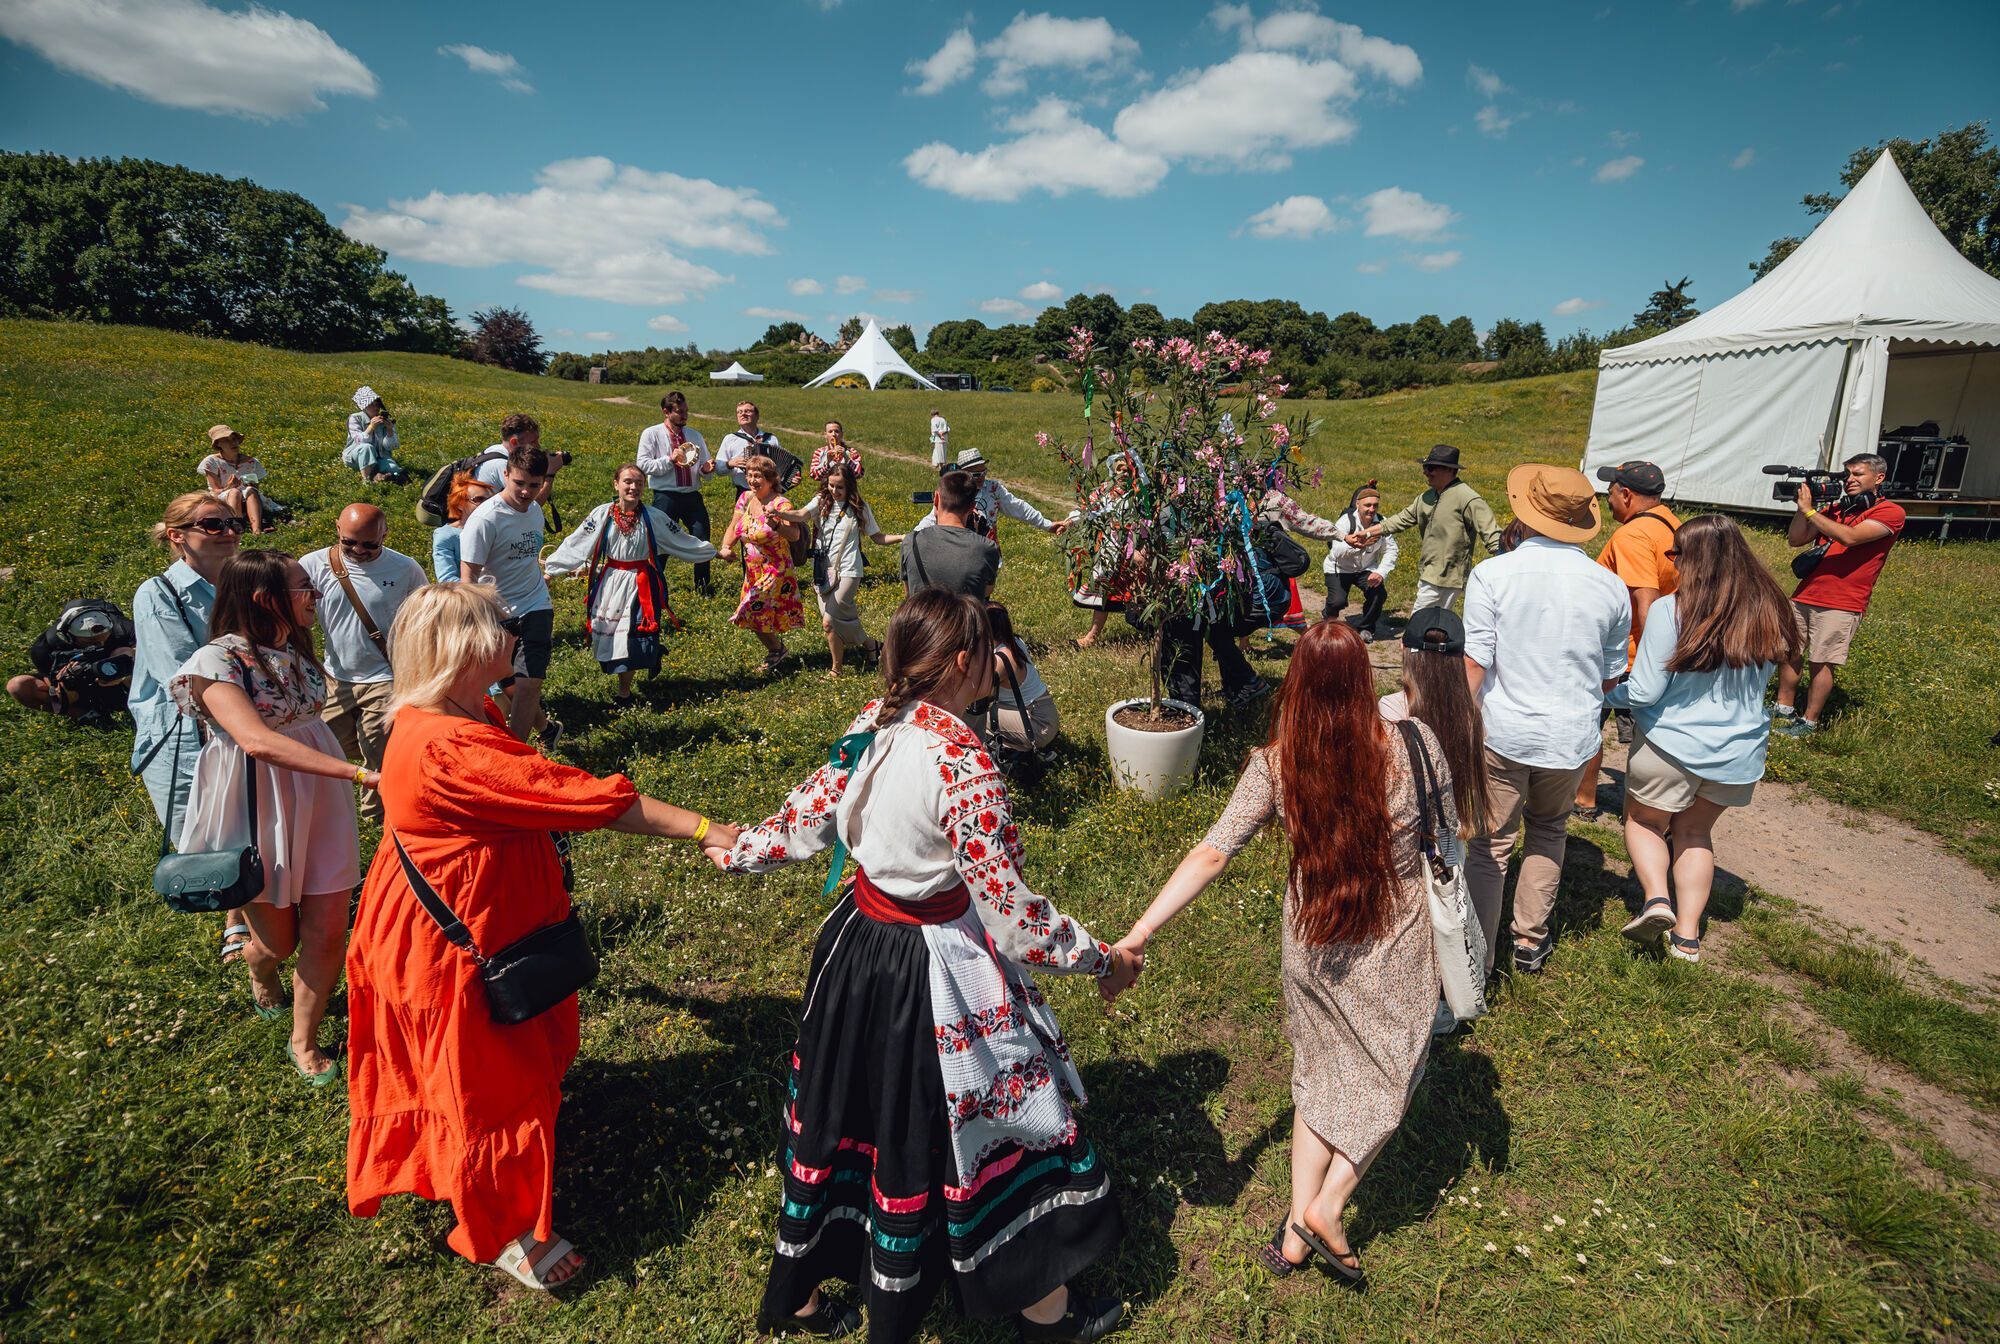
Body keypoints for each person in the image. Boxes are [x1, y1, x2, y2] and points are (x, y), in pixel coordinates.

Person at [722, 589, 1137, 1344]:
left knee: (855, 1118)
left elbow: (805, 821)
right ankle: (1045, 1312)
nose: (996, 659)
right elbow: (1012, 920)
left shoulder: (871, 722)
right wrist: (1101, 957)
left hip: (855, 954)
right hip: (935, 973)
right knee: (999, 1119)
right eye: (985, 648)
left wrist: (740, 848)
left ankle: (802, 1291)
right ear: (959, 662)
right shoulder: (964, 760)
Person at [345, 582, 736, 1291]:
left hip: (458, 923)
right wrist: (707, 829)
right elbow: (581, 797)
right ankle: (505, 1230)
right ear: (465, 647)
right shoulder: (451, 747)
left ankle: (490, 1186)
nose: (515, 632)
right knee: (488, 1087)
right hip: (454, 948)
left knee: (486, 1071)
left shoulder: (452, 710)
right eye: (502, 624)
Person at [1118, 621, 1452, 1283]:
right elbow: (1447, 829)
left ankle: (1296, 1236)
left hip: (1314, 940)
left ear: (1295, 684)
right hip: (1394, 938)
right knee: (1395, 1070)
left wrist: (1140, 931)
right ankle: (1328, 1206)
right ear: (1366, 681)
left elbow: (1213, 851)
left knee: (1319, 1074)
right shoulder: (1417, 744)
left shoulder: (1275, 764)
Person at [169, 549, 374, 1082]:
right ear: (266, 598)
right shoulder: (217, 661)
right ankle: (262, 964)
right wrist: (357, 774)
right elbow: (256, 741)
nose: (316, 596)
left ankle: (302, 1040)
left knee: (329, 932)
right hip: (260, 802)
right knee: (280, 941)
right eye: (306, 588)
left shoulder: (297, 648)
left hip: (320, 798)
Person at [1608, 515, 1801, 964]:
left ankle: (1657, 899)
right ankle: (1688, 937)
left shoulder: (1672, 609)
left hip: (1671, 744)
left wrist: (1603, 693)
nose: (1672, 563)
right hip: (1739, 751)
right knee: (1695, 832)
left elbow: (1645, 691)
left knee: (1645, 823)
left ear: (1693, 560)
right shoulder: (1774, 610)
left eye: (1675, 555)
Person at [1462, 465, 1630, 975]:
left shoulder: (1493, 574)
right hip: (1571, 736)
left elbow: (1474, 663)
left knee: (1490, 846)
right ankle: (1529, 940)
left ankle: (1477, 956)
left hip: (1503, 731)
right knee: (1549, 830)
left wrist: (1449, 727)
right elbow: (1610, 674)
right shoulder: (1609, 586)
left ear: (1525, 512)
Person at [130, 494, 240, 957]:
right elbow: (180, 673)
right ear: (178, 536)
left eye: (232, 521)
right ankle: (230, 908)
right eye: (213, 524)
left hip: (240, 722)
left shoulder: (241, 582)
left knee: (245, 819)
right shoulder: (158, 593)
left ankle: (244, 915)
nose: (229, 530)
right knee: (196, 831)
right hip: (182, 735)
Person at [543, 464, 715, 709]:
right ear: (616, 484)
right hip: (611, 582)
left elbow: (682, 540)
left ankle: (624, 694)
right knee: (612, 635)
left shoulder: (653, 517)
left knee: (634, 636)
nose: (633, 487)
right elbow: (576, 543)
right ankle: (652, 654)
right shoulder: (602, 514)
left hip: (641, 583)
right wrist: (552, 571)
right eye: (627, 482)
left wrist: (712, 552)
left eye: (639, 483)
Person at [301, 503, 428, 825]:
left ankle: (377, 819)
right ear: (337, 530)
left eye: (370, 544)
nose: (359, 550)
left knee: (376, 748)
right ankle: (329, 810)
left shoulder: (405, 569)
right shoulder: (314, 565)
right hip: (335, 675)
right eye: (350, 543)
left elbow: (425, 618)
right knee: (328, 745)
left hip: (385, 675)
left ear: (385, 535)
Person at [1573, 461, 1681, 821]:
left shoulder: (1632, 535)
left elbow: (1644, 599)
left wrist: (1653, 662)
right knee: (1651, 732)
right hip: (1665, 648)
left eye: (1610, 491)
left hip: (1629, 655)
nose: (1608, 498)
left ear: (1627, 494)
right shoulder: (1673, 526)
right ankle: (1648, 806)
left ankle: (1586, 799)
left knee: (1592, 723)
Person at [1773, 453, 1906, 738]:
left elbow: (1851, 537)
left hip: (1842, 600)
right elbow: (1796, 539)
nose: (1850, 480)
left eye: (1858, 474)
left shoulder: (1891, 512)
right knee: (1788, 651)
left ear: (1878, 478)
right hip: (1806, 592)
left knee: (1821, 660)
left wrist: (1812, 513)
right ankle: (1782, 707)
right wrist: (1802, 509)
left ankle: (1809, 722)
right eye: (1848, 474)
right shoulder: (1836, 508)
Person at [460, 443, 560, 747]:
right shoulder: (485, 519)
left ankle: (517, 755)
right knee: (510, 687)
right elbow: (469, 576)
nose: (527, 492)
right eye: (519, 483)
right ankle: (547, 729)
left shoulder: (534, 512)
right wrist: (474, 619)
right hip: (497, 611)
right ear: (505, 474)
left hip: (536, 604)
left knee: (529, 686)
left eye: (534, 485)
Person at [771, 462, 901, 679]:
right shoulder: (821, 502)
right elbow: (802, 514)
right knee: (834, 623)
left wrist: (902, 538)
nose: (834, 491)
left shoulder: (859, 508)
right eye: (831, 485)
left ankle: (836, 669)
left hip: (849, 568)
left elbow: (878, 537)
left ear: (850, 487)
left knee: (830, 620)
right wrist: (778, 514)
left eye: (840, 487)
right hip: (822, 568)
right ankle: (872, 646)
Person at [1376, 606, 1491, 848]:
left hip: (1401, 834)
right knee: (1448, 881)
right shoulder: (1473, 712)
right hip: (1450, 835)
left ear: (1403, 649)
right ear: (1461, 657)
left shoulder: (1391, 708)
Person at [1347, 445, 1502, 614]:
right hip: (1429, 572)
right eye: (1424, 467)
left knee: (1418, 626)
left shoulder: (1468, 498)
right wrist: (1366, 532)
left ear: (1449, 470)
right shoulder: (1427, 497)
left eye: (1430, 468)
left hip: (1448, 577)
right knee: (1432, 627)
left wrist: (1510, 571)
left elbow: (1493, 536)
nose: (1425, 472)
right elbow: (1400, 520)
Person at [716, 455, 804, 675]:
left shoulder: (781, 504)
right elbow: (734, 526)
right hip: (753, 570)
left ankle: (776, 649)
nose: (753, 480)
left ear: (771, 479)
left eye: (759, 476)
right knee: (753, 615)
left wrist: (776, 523)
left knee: (750, 610)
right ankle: (777, 650)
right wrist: (726, 547)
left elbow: (793, 535)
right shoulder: (745, 499)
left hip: (776, 569)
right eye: (750, 475)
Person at [911, 448, 1068, 556]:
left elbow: (1018, 507)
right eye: (976, 474)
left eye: (984, 471)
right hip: (959, 551)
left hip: (987, 551)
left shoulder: (993, 489)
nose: (982, 477)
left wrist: (1047, 525)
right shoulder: (955, 492)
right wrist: (914, 536)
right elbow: (934, 517)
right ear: (963, 474)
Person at [635, 391, 716, 598]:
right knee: (660, 541)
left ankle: (702, 586)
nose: (684, 416)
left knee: (702, 537)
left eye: (686, 411)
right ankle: (653, 585)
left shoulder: (695, 436)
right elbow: (642, 465)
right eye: (679, 412)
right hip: (665, 496)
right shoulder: (651, 434)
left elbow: (703, 466)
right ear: (666, 411)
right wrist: (669, 460)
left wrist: (706, 470)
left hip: (691, 495)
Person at [9, 598, 134, 724]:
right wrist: (63, 682)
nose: (100, 645)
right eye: (91, 643)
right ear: (68, 637)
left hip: (121, 678)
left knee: (124, 652)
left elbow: (149, 650)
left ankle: (137, 696)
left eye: (104, 639)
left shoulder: (122, 627)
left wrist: (123, 674)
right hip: (82, 687)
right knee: (18, 686)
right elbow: (52, 684)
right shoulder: (45, 648)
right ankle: (84, 714)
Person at [1068, 452, 1137, 649]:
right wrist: (1069, 522)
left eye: (1127, 469)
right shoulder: (1103, 493)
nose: (1123, 473)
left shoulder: (1140, 493)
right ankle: (1092, 636)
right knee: (1104, 592)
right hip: (1109, 551)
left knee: (1138, 591)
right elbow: (1084, 510)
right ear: (1112, 471)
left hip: (1136, 551)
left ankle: (1153, 631)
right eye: (1119, 469)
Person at [900, 469, 1000, 601]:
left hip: (922, 621)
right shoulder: (986, 548)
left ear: (936, 499)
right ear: (972, 507)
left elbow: (909, 593)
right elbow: (986, 591)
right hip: (965, 621)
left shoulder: (910, 542)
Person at [1323, 482, 1398, 640]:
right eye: (1367, 505)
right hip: (1339, 568)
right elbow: (1335, 551)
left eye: (1375, 505)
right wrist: (1358, 546)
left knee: (1378, 593)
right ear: (1358, 504)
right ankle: (1328, 620)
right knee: (1337, 601)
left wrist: (1380, 572)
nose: (1371, 509)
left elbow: (1391, 550)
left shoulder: (1382, 524)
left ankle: (1366, 628)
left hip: (1366, 568)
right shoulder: (1345, 521)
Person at [987, 601, 1060, 753]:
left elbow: (976, 690)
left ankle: (1014, 751)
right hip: (1043, 714)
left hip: (1037, 724)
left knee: (974, 714)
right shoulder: (1015, 642)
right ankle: (1015, 747)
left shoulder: (1000, 662)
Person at [473, 414, 568, 515]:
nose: (538, 446)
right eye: (533, 442)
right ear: (514, 442)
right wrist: (550, 472)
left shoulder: (495, 450)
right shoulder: (501, 465)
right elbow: (531, 505)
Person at [715, 401, 801, 495]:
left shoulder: (771, 439)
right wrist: (729, 464)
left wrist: (791, 479)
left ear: (757, 416)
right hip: (745, 492)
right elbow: (718, 469)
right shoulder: (730, 439)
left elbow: (783, 468)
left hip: (770, 493)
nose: (743, 414)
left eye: (747, 411)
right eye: (739, 412)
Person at [199, 425, 273, 534]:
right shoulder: (211, 462)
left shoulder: (251, 461)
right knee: (234, 492)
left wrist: (253, 485)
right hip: (223, 497)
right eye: (225, 441)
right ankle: (236, 526)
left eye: (234, 439)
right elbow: (215, 490)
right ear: (218, 444)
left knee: (251, 491)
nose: (232, 443)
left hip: (247, 497)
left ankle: (257, 529)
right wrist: (229, 487)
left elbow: (256, 487)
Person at [430, 473, 492, 584]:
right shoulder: (445, 536)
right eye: (479, 499)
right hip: (470, 597)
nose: (487, 504)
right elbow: (447, 579)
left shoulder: (496, 527)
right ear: (460, 504)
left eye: (490, 500)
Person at [344, 387, 406, 484]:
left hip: (379, 458)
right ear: (364, 406)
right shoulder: (355, 418)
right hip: (355, 458)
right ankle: (366, 482)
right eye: (371, 405)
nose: (376, 407)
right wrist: (371, 427)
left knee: (394, 469)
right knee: (366, 448)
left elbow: (393, 446)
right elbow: (358, 441)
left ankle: (382, 477)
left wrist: (389, 430)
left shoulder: (385, 420)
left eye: (377, 404)